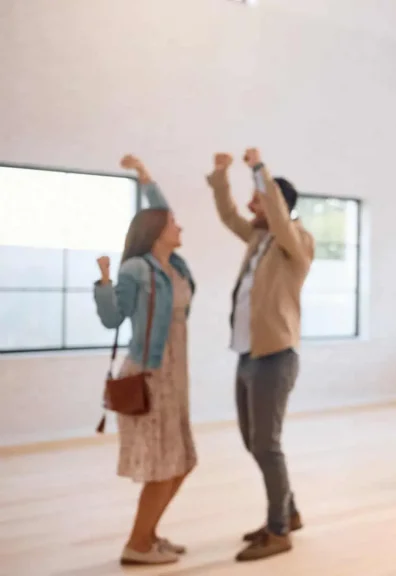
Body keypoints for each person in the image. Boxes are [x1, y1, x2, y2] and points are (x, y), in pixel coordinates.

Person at [206, 148, 314, 562]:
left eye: (259, 200)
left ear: (277, 206)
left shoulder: (296, 242)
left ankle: (278, 530)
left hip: (275, 356)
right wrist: (220, 176)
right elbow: (229, 215)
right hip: (248, 355)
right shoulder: (259, 238)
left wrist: (258, 171)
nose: (251, 206)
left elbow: (276, 215)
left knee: (266, 444)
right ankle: (289, 511)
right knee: (254, 442)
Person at [95, 155, 197, 566]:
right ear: (157, 231)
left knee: (182, 461)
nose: (180, 226)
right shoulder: (138, 269)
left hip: (176, 377)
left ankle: (149, 536)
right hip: (150, 375)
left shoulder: (177, 266)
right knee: (163, 466)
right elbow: (112, 319)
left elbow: (160, 210)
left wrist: (147, 178)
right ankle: (137, 545)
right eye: (173, 223)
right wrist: (104, 280)